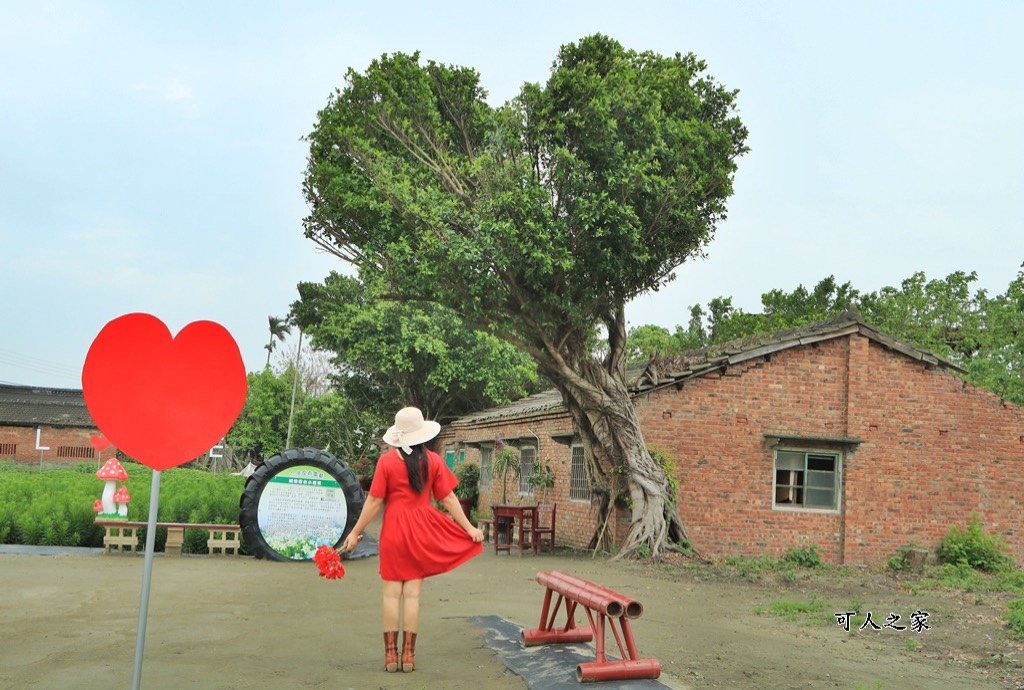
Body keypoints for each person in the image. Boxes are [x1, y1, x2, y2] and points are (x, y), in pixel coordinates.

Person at [342, 406, 484, 673]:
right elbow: (449, 499)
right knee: (413, 597)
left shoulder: (386, 462)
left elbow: (374, 501)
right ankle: (408, 655)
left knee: (391, 596)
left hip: (393, 532)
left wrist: (354, 532)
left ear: (398, 435)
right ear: (422, 434)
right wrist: (469, 529)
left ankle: (389, 657)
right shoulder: (433, 461)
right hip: (421, 531)